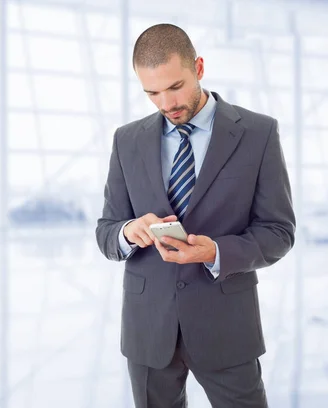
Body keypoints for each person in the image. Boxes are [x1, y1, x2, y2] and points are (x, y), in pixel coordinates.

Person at [95, 24, 295, 407]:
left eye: (175, 87)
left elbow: (278, 232)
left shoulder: (257, 133)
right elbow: (106, 230)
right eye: (152, 93)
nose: (166, 103)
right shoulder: (127, 140)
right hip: (149, 329)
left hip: (226, 325)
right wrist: (128, 231)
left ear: (199, 67)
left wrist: (214, 252)